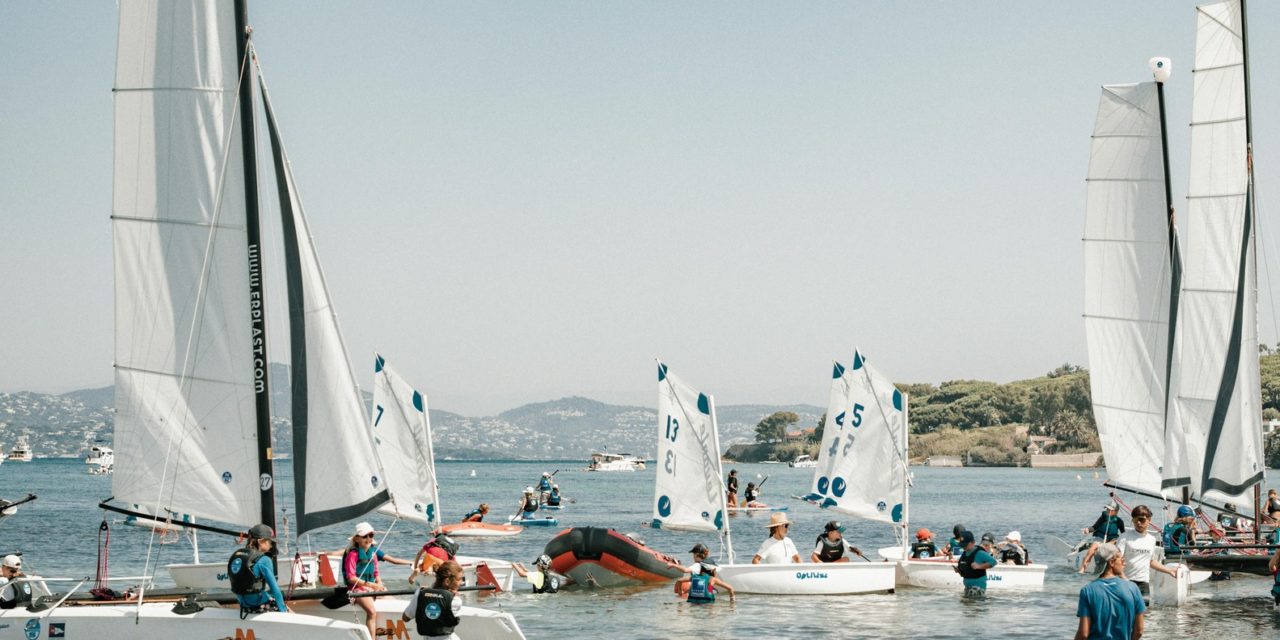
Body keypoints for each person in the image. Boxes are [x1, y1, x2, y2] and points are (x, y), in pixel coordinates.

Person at [1093, 504, 1178, 600]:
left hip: (1144, 582)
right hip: (1125, 580)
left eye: (1142, 520)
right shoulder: (1125, 537)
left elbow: (1150, 561)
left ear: (1149, 520)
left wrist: (1169, 571)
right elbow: (1116, 558)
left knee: (1145, 613)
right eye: (1135, 520)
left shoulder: (1152, 539)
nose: (1138, 523)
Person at [345, 521, 412, 639]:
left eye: (371, 535)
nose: (368, 538)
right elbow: (351, 578)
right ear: (357, 539)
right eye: (365, 536)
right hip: (358, 589)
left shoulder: (373, 553)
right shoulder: (353, 555)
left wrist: (379, 584)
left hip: (372, 588)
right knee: (372, 612)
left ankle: (395, 631)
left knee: (393, 601)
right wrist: (371, 585)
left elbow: (376, 572)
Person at [1074, 543, 1145, 640]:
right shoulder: (1133, 588)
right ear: (1111, 562)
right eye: (1121, 559)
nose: (1124, 563)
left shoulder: (1088, 590)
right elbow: (1139, 630)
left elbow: (1083, 634)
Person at [226, 524, 289, 616]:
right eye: (270, 542)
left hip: (243, 606)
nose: (271, 546)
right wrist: (284, 612)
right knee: (287, 609)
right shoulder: (264, 560)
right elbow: (275, 589)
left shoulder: (237, 555)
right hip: (259, 606)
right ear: (261, 541)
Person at [402, 560, 464, 640]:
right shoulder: (455, 600)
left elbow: (405, 618)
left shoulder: (420, 593)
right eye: (459, 579)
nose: (461, 582)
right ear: (447, 581)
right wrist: (449, 594)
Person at [954, 530, 996, 597]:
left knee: (974, 606)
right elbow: (966, 572)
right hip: (967, 587)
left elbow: (993, 562)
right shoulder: (964, 553)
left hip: (978, 588)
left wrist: (979, 566)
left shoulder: (980, 553)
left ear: (973, 542)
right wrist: (959, 570)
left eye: (965, 545)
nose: (963, 547)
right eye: (962, 545)